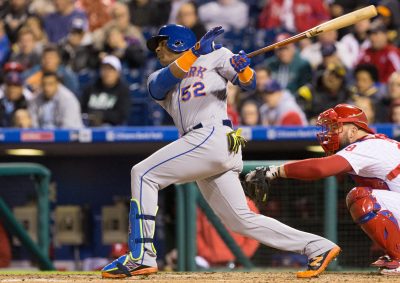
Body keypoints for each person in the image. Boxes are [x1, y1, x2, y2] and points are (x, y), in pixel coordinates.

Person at [101, 24, 340, 279]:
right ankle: (318, 246)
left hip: (213, 135)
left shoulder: (217, 55)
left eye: (162, 42)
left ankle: (141, 256)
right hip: (203, 143)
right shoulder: (157, 76)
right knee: (240, 220)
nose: (157, 48)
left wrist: (242, 68)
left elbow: (249, 83)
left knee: (143, 173)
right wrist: (195, 52)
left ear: (178, 42)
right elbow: (164, 83)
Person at [245, 103, 400, 275]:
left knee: (361, 198)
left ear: (354, 130)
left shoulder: (367, 146)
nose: (331, 132)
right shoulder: (377, 143)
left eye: (336, 127)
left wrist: (275, 171)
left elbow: (321, 168)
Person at [80, 55, 130, 126]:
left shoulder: (123, 90)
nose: (107, 72)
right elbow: (82, 109)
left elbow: (121, 115)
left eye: (111, 69)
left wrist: (101, 115)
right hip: (89, 125)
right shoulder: (90, 88)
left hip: (113, 127)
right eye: (104, 69)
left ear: (118, 73)